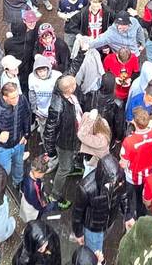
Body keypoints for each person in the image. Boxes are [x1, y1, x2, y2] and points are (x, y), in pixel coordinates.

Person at [72, 154, 129, 259]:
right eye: (111, 181)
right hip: (93, 228)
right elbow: (77, 213)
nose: (114, 183)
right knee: (95, 254)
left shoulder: (119, 176)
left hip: (109, 220)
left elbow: (124, 194)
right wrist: (79, 233)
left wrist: (127, 215)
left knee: (102, 239)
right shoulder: (86, 188)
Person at [44, 75, 84, 208]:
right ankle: (55, 195)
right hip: (65, 143)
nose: (76, 85)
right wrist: (51, 152)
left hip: (72, 138)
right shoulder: (58, 106)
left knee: (69, 161)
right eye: (74, 85)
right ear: (69, 89)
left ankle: (71, 167)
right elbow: (49, 130)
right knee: (63, 169)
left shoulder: (67, 96)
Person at [0, 82, 33, 187]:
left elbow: (27, 116)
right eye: (13, 98)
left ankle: (18, 183)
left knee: (19, 165)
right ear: (5, 97)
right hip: (2, 148)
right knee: (3, 171)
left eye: (17, 96)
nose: (16, 100)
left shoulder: (22, 99)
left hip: (19, 142)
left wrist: (26, 134)